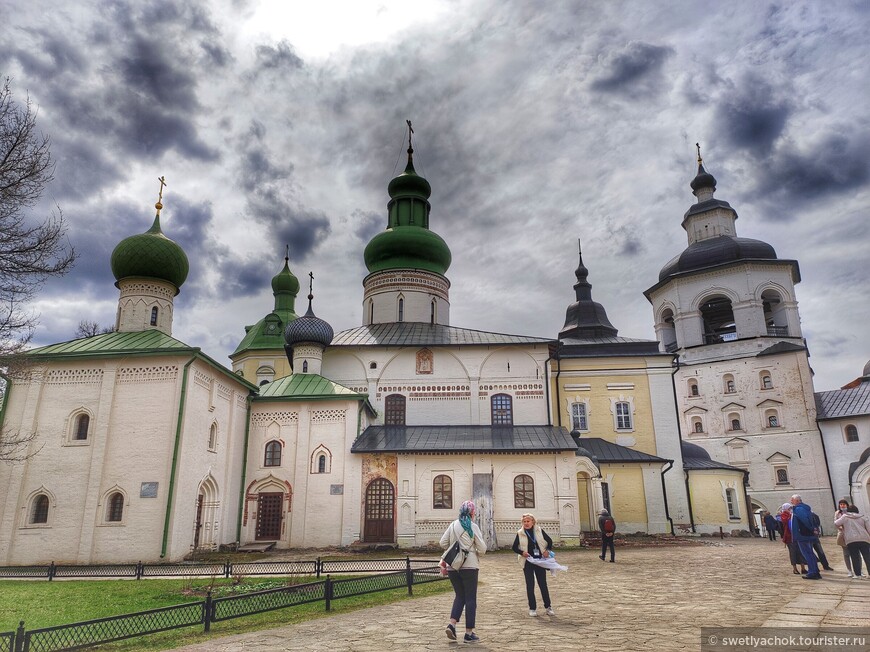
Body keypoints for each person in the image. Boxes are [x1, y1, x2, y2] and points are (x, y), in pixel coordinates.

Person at [440, 500, 486, 643]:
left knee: (459, 596)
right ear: (472, 513)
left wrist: (455, 546)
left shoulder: (453, 525)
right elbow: (483, 549)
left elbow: (442, 543)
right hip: (469, 565)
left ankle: (452, 625)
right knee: (470, 598)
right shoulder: (472, 527)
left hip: (453, 566)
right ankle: (469, 633)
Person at [512, 513, 555, 617]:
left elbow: (549, 541)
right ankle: (532, 608)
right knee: (530, 585)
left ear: (533, 522)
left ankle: (548, 607)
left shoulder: (539, 531)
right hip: (528, 561)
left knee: (543, 584)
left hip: (540, 561)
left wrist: (547, 551)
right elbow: (514, 547)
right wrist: (522, 553)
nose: (526, 523)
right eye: (524, 521)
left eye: (528, 521)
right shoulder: (520, 533)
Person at [790, 494, 822, 580]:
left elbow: (805, 520)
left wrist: (810, 529)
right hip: (806, 534)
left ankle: (812, 572)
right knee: (810, 553)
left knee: (807, 554)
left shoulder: (799, 509)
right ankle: (815, 571)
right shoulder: (805, 508)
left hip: (802, 535)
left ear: (797, 501)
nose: (791, 501)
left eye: (792, 500)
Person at [834, 504, 870, 579]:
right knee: (867, 556)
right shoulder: (863, 517)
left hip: (851, 539)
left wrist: (841, 529)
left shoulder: (845, 517)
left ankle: (858, 574)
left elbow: (836, 523)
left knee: (854, 557)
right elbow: (869, 529)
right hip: (864, 538)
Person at [778, 503, 806, 575]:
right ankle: (795, 568)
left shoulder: (792, 514)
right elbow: (786, 521)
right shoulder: (784, 515)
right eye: (789, 508)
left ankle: (803, 568)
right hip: (789, 537)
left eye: (791, 508)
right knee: (793, 552)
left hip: (797, 536)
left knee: (800, 552)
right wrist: (792, 515)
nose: (790, 509)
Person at [834, 499, 855, 577]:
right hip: (843, 535)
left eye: (844, 504)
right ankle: (849, 570)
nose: (842, 506)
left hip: (852, 535)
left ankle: (858, 569)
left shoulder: (851, 512)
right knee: (846, 554)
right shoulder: (838, 513)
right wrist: (840, 527)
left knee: (855, 553)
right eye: (841, 504)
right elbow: (836, 522)